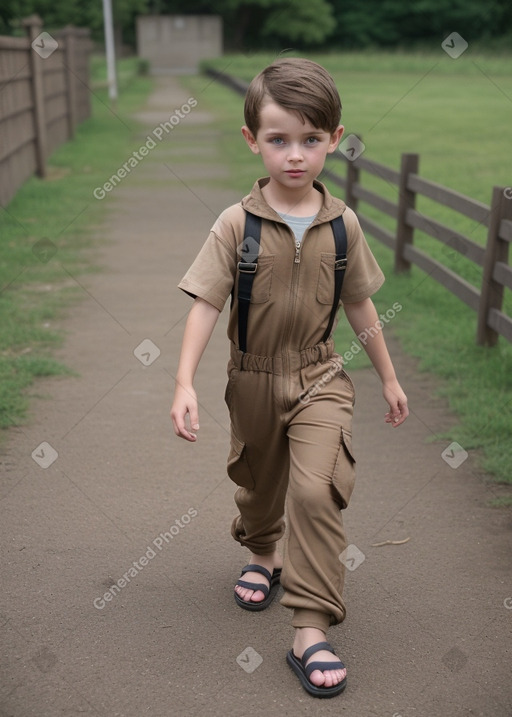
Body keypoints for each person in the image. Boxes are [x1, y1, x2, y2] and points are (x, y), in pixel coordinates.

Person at [170, 57, 408, 698]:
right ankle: (261, 550)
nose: (294, 156)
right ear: (253, 140)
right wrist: (184, 382)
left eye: (310, 140)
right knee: (257, 479)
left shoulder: (343, 226)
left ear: (334, 138)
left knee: (316, 489)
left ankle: (310, 625)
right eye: (278, 140)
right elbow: (205, 304)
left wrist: (387, 377)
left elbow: (361, 305)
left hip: (320, 375)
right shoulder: (235, 224)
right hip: (250, 377)